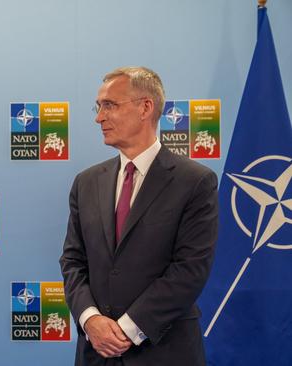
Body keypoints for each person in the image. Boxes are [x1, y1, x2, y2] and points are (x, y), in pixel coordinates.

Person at [59, 67, 218, 366]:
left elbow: (190, 270)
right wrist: (91, 320)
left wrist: (126, 329)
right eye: (98, 106)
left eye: (110, 105)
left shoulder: (195, 181)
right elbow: (72, 261)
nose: (99, 117)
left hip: (164, 352)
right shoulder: (86, 182)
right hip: (96, 354)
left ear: (145, 107)